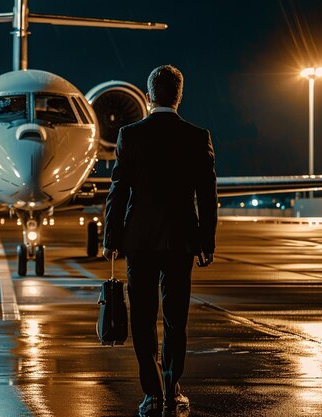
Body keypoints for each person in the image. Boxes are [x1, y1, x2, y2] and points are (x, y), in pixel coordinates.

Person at [102, 65, 217, 417]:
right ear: (179, 95)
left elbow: (117, 192)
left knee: (142, 318)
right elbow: (207, 196)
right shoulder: (197, 136)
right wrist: (206, 242)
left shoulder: (130, 135)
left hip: (140, 242)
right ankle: (172, 389)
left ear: (148, 95)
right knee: (175, 319)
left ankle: (151, 394)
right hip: (180, 242)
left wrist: (111, 239)